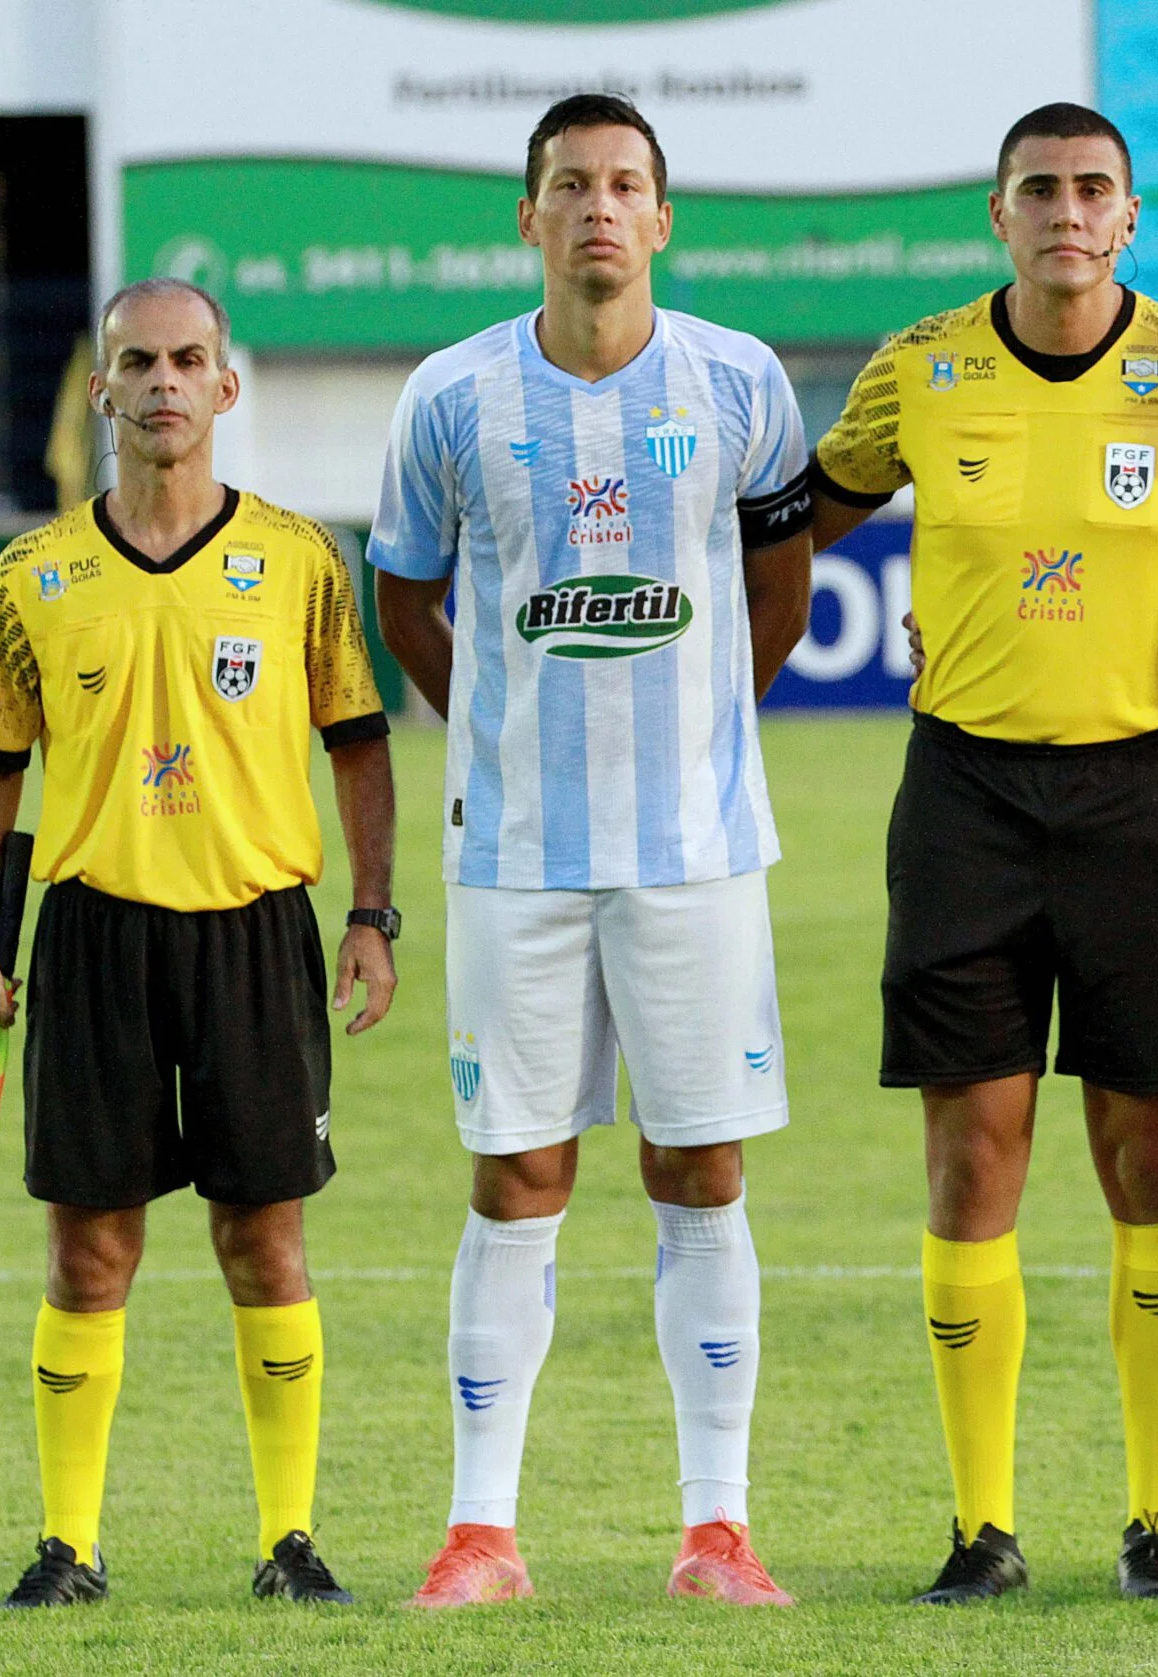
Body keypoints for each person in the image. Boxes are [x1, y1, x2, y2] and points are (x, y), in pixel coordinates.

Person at [808, 100, 1158, 1606]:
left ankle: (1154, 1522)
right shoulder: (921, 369)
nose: (1067, 211)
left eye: (1093, 189)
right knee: (973, 1153)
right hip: (963, 797)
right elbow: (803, 519)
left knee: (1147, 1148)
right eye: (1039, 190)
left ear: (1128, 217)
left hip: (1143, 793)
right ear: (998, 215)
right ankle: (983, 1527)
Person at [368, 94, 815, 1609]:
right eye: (572, 186)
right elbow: (407, 597)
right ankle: (480, 1533)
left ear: (664, 216)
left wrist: (695, 736)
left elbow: (783, 580)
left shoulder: (742, 381)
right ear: (531, 216)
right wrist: (497, 732)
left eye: (627, 185)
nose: (600, 210)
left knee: (701, 1170)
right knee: (518, 1173)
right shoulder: (452, 395)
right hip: (515, 856)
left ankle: (719, 1531)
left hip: (695, 852)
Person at [0, 276, 398, 1607]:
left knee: (266, 1242)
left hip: (256, 934)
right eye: (135, 361)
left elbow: (360, 747)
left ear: (225, 386)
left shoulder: (302, 559)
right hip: (91, 941)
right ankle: (69, 1543)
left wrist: (368, 916)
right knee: (90, 1252)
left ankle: (290, 1539)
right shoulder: (34, 573)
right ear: (101, 389)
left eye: (186, 358)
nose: (161, 382)